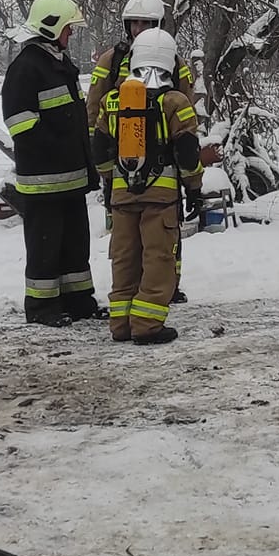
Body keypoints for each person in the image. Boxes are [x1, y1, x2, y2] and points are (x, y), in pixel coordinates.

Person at [87, 0, 196, 302]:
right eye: (133, 24)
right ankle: (142, 293)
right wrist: (102, 161)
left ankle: (167, 286)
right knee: (129, 238)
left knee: (164, 231)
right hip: (123, 161)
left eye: (145, 24)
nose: (138, 30)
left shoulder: (175, 61)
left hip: (164, 157)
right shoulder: (114, 59)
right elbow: (95, 108)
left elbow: (186, 102)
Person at [3, 0, 100, 325]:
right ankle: (42, 308)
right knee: (45, 247)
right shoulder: (26, 68)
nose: (70, 34)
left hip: (69, 177)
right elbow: (21, 124)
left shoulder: (58, 64)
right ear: (50, 26)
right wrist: (59, 150)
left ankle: (78, 301)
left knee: (75, 243)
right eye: (67, 28)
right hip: (44, 181)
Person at [102, 27, 204, 345]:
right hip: (160, 198)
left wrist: (110, 185)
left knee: (124, 257)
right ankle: (147, 324)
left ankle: (120, 323)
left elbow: (100, 150)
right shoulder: (176, 102)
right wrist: (195, 188)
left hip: (121, 195)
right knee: (158, 258)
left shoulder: (113, 101)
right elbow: (187, 153)